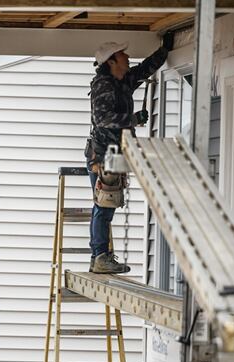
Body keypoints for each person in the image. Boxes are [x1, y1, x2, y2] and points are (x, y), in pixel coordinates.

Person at [86, 33, 174, 273]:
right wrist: (133, 119)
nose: (127, 57)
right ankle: (100, 257)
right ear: (112, 61)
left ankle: (101, 256)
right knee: (104, 205)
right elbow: (102, 119)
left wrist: (164, 50)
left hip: (114, 154)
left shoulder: (121, 80)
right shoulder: (103, 84)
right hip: (103, 155)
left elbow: (145, 69)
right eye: (122, 54)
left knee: (108, 205)